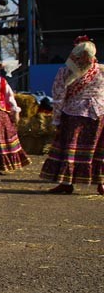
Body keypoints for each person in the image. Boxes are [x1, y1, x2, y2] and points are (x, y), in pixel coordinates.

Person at [40, 37, 104, 194]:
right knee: (97, 149)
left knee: (70, 148)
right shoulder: (101, 70)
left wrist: (56, 118)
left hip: (74, 114)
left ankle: (66, 183)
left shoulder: (65, 71)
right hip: (98, 114)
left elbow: (59, 95)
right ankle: (101, 184)